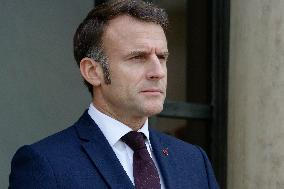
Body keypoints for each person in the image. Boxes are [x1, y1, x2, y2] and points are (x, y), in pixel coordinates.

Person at [9, 0, 219, 188]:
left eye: (162, 57)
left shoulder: (193, 160)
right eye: (138, 57)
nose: (158, 72)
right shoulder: (46, 164)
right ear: (93, 72)